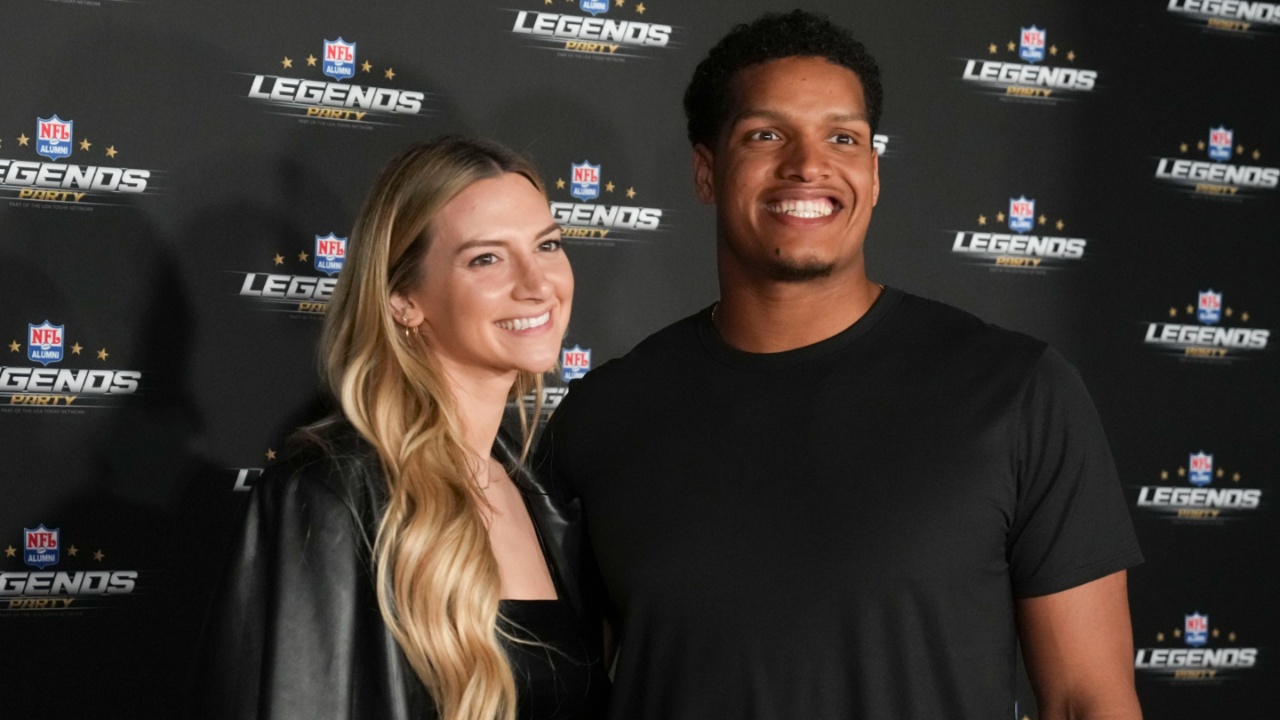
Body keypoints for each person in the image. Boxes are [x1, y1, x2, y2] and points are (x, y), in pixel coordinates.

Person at [536, 11, 1143, 720]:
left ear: (874, 175)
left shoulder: (1016, 392)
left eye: (843, 137)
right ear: (706, 171)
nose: (808, 165)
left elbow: (1086, 699)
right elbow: (560, 692)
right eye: (766, 135)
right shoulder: (603, 417)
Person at [192, 137, 609, 720]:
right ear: (403, 299)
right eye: (486, 258)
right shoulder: (329, 493)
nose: (537, 283)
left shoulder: (543, 491)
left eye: (547, 245)